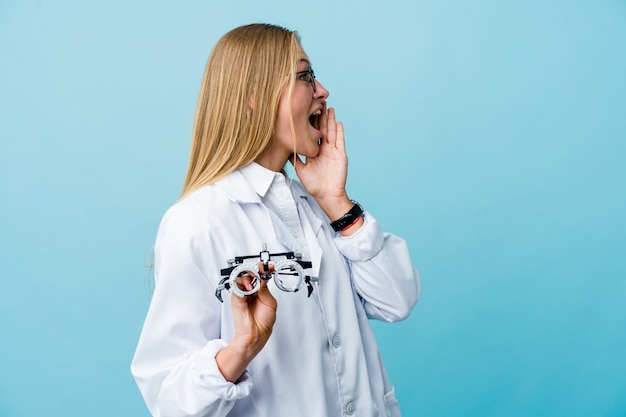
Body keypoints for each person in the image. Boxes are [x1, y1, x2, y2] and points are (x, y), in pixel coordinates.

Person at [131, 23, 420, 417]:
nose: (322, 91)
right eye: (305, 76)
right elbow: (170, 399)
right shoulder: (197, 221)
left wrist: (337, 202)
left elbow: (397, 300)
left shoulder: (316, 202)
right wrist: (240, 350)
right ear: (255, 96)